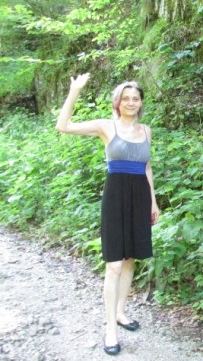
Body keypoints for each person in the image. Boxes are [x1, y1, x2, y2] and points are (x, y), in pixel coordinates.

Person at [55, 73, 160, 356]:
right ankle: (110, 329)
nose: (131, 102)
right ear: (117, 102)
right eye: (125, 98)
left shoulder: (146, 130)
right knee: (114, 264)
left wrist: (153, 202)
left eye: (135, 98)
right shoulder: (106, 126)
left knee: (129, 259)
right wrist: (75, 90)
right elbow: (63, 126)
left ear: (141, 103)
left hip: (140, 197)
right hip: (115, 196)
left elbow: (147, 167)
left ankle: (121, 312)